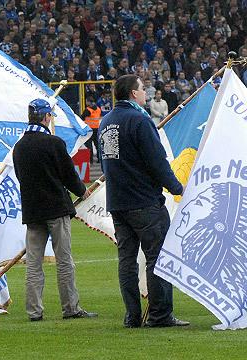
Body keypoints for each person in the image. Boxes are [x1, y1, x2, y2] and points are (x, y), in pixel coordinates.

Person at [98, 74, 189, 328]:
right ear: (133, 93)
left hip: (117, 201)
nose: (146, 93)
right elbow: (156, 160)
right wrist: (176, 187)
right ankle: (160, 315)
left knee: (126, 260)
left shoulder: (105, 122)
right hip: (144, 201)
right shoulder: (139, 120)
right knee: (156, 257)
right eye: (142, 89)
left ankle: (132, 316)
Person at [12, 98, 98, 322]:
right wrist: (82, 191)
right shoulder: (54, 143)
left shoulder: (19, 146)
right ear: (46, 117)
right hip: (56, 208)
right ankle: (70, 307)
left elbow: (21, 177)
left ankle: (34, 311)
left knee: (33, 263)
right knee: (64, 260)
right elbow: (68, 174)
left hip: (32, 210)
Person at [80, 97, 101, 163]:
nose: (86, 103)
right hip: (97, 129)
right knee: (97, 145)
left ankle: (90, 160)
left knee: (89, 145)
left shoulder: (87, 110)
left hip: (89, 130)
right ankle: (99, 159)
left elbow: (82, 118)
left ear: (89, 102)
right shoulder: (98, 109)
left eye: (86, 101)